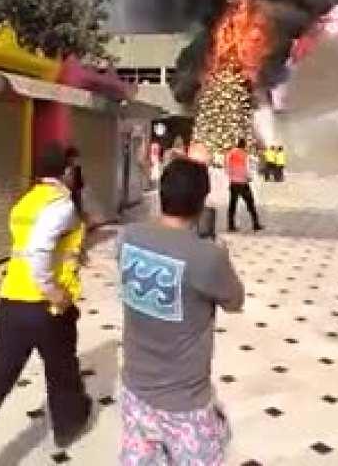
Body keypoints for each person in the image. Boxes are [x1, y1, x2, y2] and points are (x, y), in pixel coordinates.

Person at [119, 157, 244, 465]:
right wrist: (220, 256)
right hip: (184, 403)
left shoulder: (128, 237)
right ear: (202, 202)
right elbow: (235, 301)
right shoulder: (207, 256)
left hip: (134, 389)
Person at [0, 142, 92, 455]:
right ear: (66, 170)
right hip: (48, 308)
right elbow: (39, 250)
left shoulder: (26, 202)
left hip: (11, 304)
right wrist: (52, 289)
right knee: (62, 370)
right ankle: (68, 426)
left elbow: (33, 247)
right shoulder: (60, 204)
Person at [226, 138, 263, 232]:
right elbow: (246, 168)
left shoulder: (231, 153)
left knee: (232, 205)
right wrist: (248, 177)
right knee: (250, 203)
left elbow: (227, 167)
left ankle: (231, 225)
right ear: (244, 145)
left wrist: (231, 176)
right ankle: (255, 224)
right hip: (243, 183)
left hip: (234, 183)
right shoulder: (244, 154)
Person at [66, 145, 85, 217]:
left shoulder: (77, 170)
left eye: (75, 158)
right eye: (71, 157)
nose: (73, 160)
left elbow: (80, 186)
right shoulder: (62, 169)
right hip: (65, 197)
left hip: (75, 198)